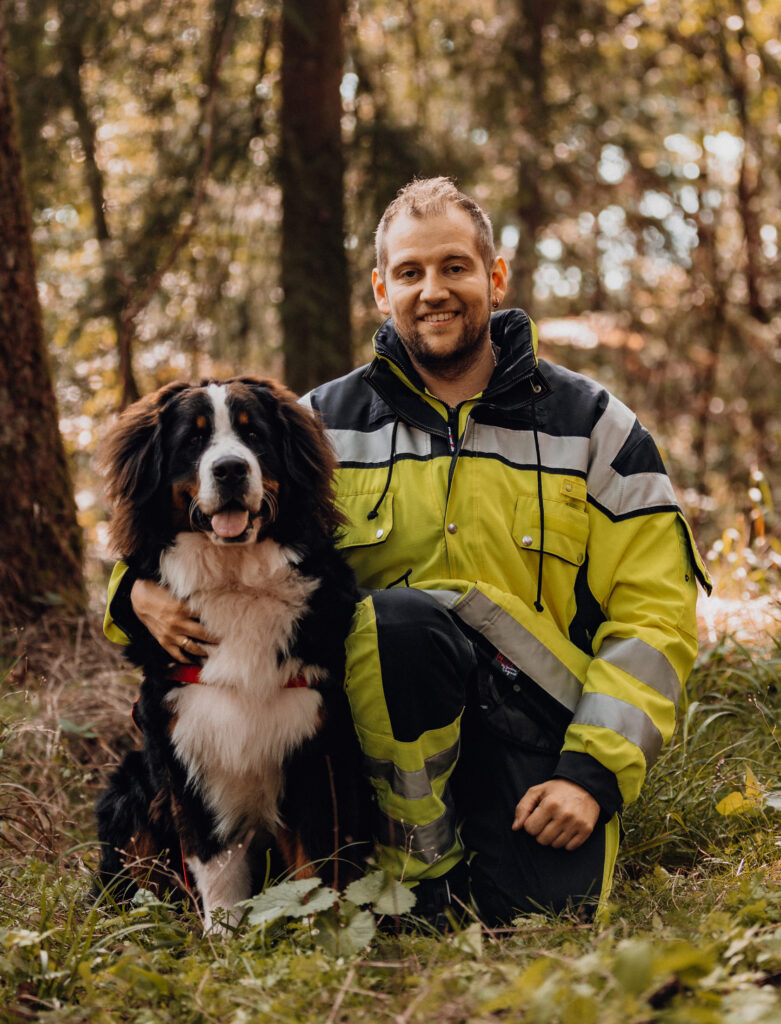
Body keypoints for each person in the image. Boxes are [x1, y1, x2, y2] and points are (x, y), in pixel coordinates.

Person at [104, 177, 711, 927]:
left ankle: (497, 848)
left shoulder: (594, 427)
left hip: (537, 729)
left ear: (494, 276)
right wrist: (125, 597)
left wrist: (589, 774)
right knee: (396, 624)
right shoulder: (316, 424)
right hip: (372, 748)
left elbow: (655, 619)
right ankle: (413, 870)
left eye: (454, 266)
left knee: (547, 913)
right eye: (411, 272)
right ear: (381, 288)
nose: (434, 290)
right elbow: (188, 541)